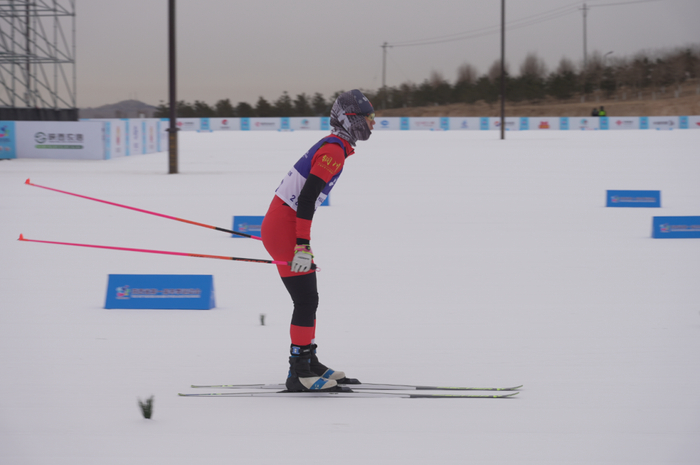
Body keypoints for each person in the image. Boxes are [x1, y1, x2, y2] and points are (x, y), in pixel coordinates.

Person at [260, 89, 375, 392]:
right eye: (369, 117)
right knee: (306, 300)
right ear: (351, 119)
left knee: (308, 299)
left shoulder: (335, 146)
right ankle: (299, 371)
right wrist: (302, 244)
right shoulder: (333, 151)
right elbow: (307, 199)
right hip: (285, 228)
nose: (373, 123)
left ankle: (308, 361)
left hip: (282, 225)